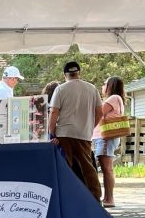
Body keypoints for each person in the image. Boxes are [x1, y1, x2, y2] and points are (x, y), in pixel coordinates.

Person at [48, 60, 103, 199]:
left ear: (64, 75)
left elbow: (54, 112)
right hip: (84, 134)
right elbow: (100, 113)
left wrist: (52, 132)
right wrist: (90, 126)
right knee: (87, 168)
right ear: (79, 73)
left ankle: (65, 197)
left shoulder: (61, 89)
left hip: (64, 134)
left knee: (65, 167)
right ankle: (95, 198)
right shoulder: (92, 88)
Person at [95, 76, 126, 207]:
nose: (102, 87)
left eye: (104, 84)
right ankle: (107, 197)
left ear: (110, 86)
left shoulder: (113, 98)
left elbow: (98, 112)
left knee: (107, 168)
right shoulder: (116, 99)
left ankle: (109, 198)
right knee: (106, 168)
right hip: (102, 138)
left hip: (106, 137)